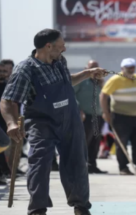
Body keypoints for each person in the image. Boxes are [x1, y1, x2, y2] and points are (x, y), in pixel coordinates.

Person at [0, 28, 107, 215]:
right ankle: (38, 208)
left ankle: (81, 206)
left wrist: (88, 73)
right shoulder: (26, 69)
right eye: (61, 45)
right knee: (40, 165)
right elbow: (8, 100)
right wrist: (11, 123)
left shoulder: (59, 61)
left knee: (77, 163)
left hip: (70, 120)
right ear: (48, 46)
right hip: (43, 124)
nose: (64, 48)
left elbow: (67, 81)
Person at [100, 58, 136, 176]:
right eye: (128, 67)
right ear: (122, 68)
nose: (131, 69)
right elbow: (103, 95)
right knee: (122, 143)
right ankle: (123, 168)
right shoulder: (115, 79)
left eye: (132, 67)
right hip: (120, 116)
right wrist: (106, 112)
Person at [74, 60, 107, 174]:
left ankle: (92, 165)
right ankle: (80, 166)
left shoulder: (100, 82)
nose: (95, 69)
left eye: (97, 67)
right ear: (86, 68)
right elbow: (72, 95)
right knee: (84, 142)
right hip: (85, 116)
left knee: (95, 142)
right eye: (92, 67)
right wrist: (78, 109)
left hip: (98, 116)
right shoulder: (81, 81)